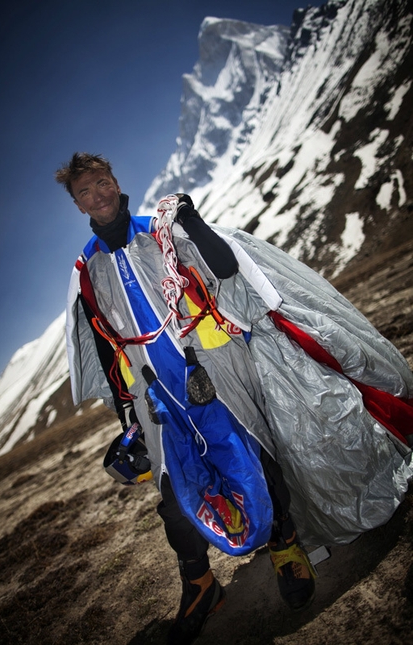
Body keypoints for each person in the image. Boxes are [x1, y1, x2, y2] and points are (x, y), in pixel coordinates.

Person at [56, 152, 317, 645]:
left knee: (254, 459)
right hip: (156, 396)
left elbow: (223, 266)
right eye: (86, 191)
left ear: (116, 181)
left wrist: (191, 217)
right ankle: (199, 585)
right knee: (175, 492)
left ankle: (285, 546)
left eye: (103, 181)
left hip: (212, 374)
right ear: (77, 204)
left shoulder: (161, 229)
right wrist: (126, 416)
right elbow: (103, 347)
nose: (99, 194)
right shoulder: (87, 270)